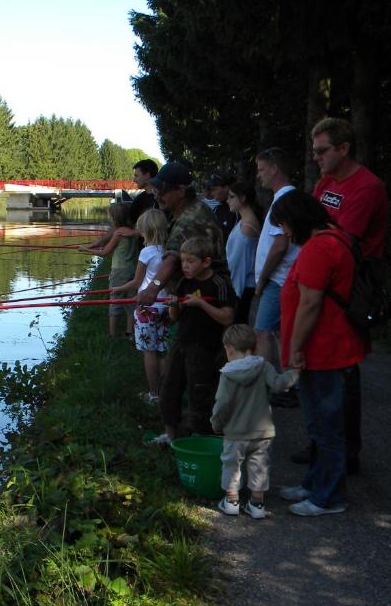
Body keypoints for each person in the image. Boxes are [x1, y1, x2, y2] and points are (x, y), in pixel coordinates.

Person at [291, 118, 387, 474]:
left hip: (352, 286)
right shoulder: (326, 181)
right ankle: (321, 441)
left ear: (343, 148)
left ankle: (346, 452)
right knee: (318, 360)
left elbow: (344, 236)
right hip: (323, 277)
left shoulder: (367, 187)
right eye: (314, 151)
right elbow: (315, 222)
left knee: (343, 365)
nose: (315, 157)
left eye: (322, 150)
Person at [269, 190, 366, 516]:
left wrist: (295, 348)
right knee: (319, 426)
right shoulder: (333, 237)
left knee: (326, 427)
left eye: (283, 224)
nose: (284, 232)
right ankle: (314, 483)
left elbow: (310, 304)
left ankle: (329, 497)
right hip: (327, 348)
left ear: (296, 219)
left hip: (322, 350)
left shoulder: (319, 247)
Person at [212, 323, 298, 519]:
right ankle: (257, 504)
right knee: (259, 465)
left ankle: (232, 501)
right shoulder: (264, 366)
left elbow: (222, 403)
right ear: (255, 347)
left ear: (229, 349)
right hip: (262, 432)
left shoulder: (228, 374)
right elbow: (278, 384)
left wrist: (217, 423)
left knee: (231, 465)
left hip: (235, 431)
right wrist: (295, 372)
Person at [156, 236, 235, 444]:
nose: (185, 266)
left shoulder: (219, 283)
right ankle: (171, 435)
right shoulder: (184, 282)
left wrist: (201, 304)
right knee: (168, 389)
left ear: (206, 262)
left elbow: (228, 317)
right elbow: (175, 317)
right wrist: (174, 304)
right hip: (181, 341)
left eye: (190, 261)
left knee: (199, 392)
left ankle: (203, 438)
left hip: (204, 346)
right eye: (183, 261)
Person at [135, 161, 226, 308]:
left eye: (162, 192)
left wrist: (152, 288)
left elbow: (172, 259)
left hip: (205, 299)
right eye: (156, 191)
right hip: (195, 296)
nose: (157, 197)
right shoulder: (189, 209)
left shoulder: (190, 219)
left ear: (181, 191)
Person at [112, 209, 171, 403]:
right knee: (161, 349)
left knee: (149, 351)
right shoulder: (168, 252)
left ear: (146, 230)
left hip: (147, 307)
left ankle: (153, 394)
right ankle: (163, 392)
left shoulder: (146, 252)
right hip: (164, 306)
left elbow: (137, 282)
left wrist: (118, 289)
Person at [253, 147, 301, 371]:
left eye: (262, 169)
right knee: (281, 331)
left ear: (275, 169)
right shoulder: (285, 198)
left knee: (263, 331)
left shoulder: (284, 200)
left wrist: (262, 279)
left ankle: (269, 384)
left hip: (277, 279)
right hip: (281, 278)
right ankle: (288, 381)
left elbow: (280, 245)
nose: (258, 174)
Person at [79, 202, 139, 337]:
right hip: (132, 270)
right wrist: (92, 246)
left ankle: (112, 335)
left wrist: (86, 250)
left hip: (119, 271)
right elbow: (102, 243)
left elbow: (105, 252)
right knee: (130, 301)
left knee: (114, 300)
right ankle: (129, 333)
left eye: (110, 216)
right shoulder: (132, 231)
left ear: (115, 218)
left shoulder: (118, 233)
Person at [226, 179, 262, 325]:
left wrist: (234, 294)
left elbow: (240, 264)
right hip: (241, 286)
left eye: (231, 196)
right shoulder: (244, 222)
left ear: (243, 198)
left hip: (242, 288)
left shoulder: (247, 227)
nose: (228, 200)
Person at [205, 172, 238, 244]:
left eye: (214, 189)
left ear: (227, 188)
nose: (212, 193)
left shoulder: (237, 211)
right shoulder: (217, 209)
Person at [129, 159, 160, 224]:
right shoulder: (140, 199)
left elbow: (158, 226)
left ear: (147, 175)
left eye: (136, 176)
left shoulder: (161, 199)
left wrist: (133, 232)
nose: (134, 180)